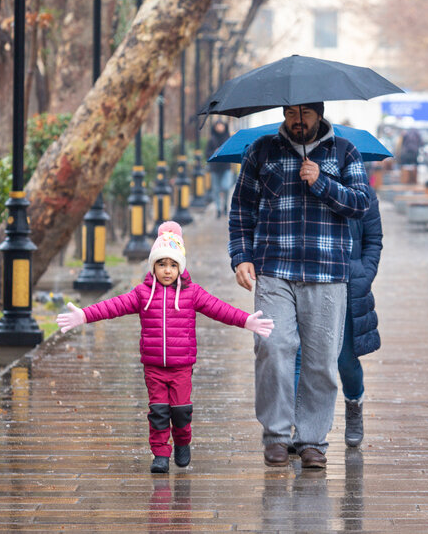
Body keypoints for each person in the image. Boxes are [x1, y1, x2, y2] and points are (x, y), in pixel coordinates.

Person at [56, 222, 274, 474]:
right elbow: (112, 306)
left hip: (181, 367)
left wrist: (246, 320)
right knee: (158, 412)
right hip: (154, 367)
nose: (167, 270)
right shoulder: (141, 294)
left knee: (181, 412)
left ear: (180, 266)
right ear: (153, 266)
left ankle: (182, 442)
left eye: (172, 264)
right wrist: (83, 315)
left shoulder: (192, 294)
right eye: (161, 264)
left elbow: (219, 309)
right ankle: (160, 454)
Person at [229, 102, 371, 469]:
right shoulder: (261, 151)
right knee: (273, 348)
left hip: (327, 273)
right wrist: (241, 256)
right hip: (274, 269)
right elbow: (241, 209)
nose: (297, 120)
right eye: (291, 112)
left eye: (305, 113)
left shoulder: (344, 151)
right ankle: (276, 436)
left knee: (321, 361)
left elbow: (360, 205)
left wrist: (322, 182)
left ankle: (311, 441)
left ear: (319, 114)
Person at [294, 187, 384, 447]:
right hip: (309, 280)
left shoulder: (363, 192)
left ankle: (354, 403)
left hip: (347, 282)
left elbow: (373, 239)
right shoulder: (306, 185)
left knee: (345, 358)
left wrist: (364, 274)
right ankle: (302, 425)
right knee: (302, 356)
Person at [206, 119, 234, 217]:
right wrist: (215, 151)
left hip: (226, 167)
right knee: (216, 189)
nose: (219, 127)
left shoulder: (228, 138)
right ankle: (218, 209)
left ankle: (225, 205)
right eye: (217, 125)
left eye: (221, 125)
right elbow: (207, 154)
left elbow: (232, 151)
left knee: (226, 187)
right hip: (215, 168)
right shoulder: (211, 139)